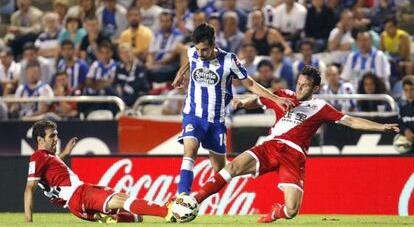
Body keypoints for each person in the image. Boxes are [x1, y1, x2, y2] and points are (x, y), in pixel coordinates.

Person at [182, 65, 398, 223]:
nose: (299, 88)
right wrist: (241, 103)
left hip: (294, 157)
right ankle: (194, 201)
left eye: (305, 86)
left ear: (315, 88)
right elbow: (258, 100)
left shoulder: (320, 107)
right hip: (270, 147)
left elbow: (350, 121)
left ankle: (276, 213)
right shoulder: (283, 96)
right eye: (299, 83)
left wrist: (381, 127)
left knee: (292, 210)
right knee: (232, 167)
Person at [171, 23, 294, 195]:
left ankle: (199, 198)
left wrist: (275, 98)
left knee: (221, 172)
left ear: (214, 44)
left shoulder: (229, 60)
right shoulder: (193, 52)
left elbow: (250, 83)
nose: (200, 54)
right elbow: (190, 59)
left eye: (204, 50)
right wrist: (181, 73)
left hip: (217, 121)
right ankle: (182, 196)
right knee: (189, 151)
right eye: (198, 50)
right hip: (194, 115)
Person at [24, 119, 175, 223]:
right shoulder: (38, 156)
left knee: (135, 217)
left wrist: (65, 153)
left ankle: (112, 219)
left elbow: (52, 169)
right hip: (80, 193)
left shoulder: (46, 157)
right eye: (52, 136)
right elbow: (29, 189)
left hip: (74, 206)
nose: (56, 138)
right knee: (122, 199)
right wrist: (29, 221)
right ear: (40, 139)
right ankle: (166, 212)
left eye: (56, 135)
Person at [398, 76, 414, 152]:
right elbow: (400, 123)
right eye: (406, 90)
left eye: (412, 89)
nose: (409, 93)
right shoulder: (403, 109)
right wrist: (405, 130)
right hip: (408, 149)